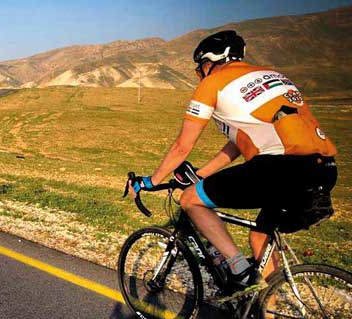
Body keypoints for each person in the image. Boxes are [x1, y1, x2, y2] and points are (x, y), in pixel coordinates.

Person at [129, 30, 337, 294]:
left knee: (190, 199)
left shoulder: (213, 83)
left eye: (201, 66)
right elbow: (240, 142)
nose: (200, 73)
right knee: (260, 236)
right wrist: (202, 173)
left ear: (213, 61)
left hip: (280, 170)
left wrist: (152, 180)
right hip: (325, 169)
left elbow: (183, 145)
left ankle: (239, 270)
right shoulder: (272, 76)